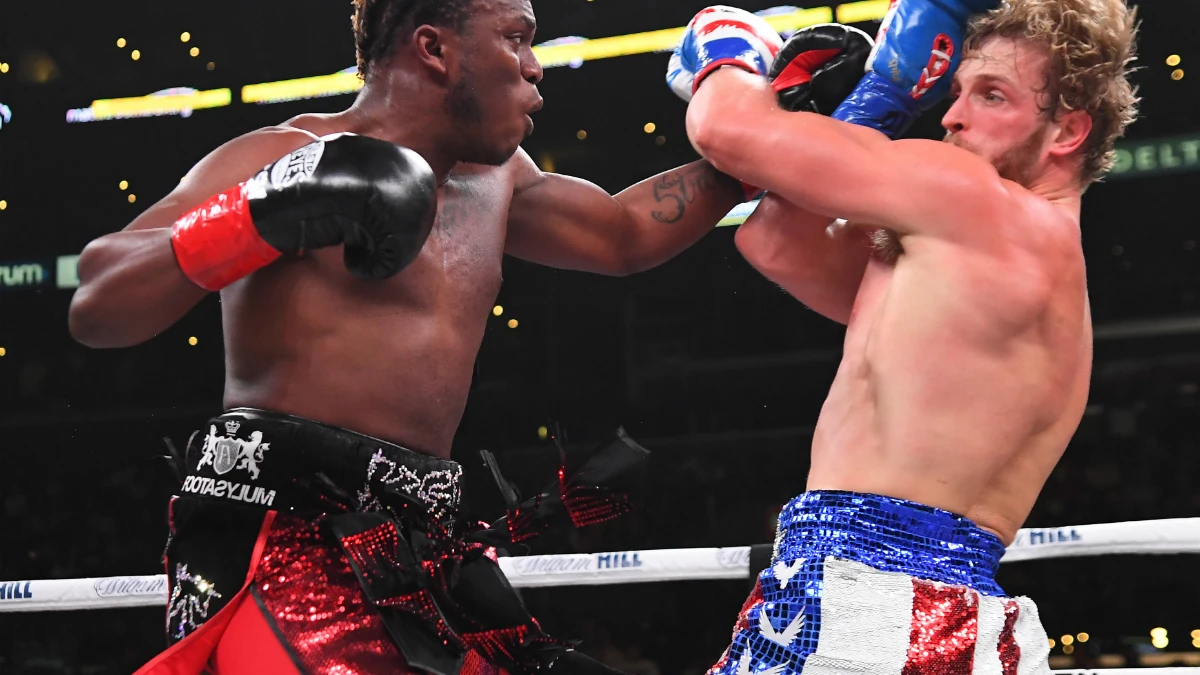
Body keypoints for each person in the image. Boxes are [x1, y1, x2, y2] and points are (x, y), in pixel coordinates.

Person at [66, 2, 866, 674]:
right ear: (434, 48)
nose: (536, 65)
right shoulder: (287, 155)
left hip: (422, 540)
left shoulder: (499, 179)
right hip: (284, 533)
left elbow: (623, 234)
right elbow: (98, 300)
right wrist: (259, 213)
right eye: (515, 37)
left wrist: (771, 134)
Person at [670, 0, 1137, 672]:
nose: (951, 116)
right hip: (940, 614)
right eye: (956, 91)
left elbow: (723, 127)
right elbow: (776, 240)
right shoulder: (1000, 257)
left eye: (992, 95)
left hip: (866, 611)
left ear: (1067, 131)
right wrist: (879, 99)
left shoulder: (976, 200)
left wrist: (727, 51)